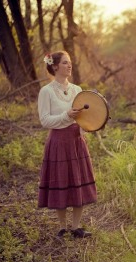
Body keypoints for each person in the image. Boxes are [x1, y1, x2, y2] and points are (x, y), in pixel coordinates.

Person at [38, 51, 97, 238]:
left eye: (70, 62)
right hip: (58, 142)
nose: (69, 66)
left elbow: (82, 117)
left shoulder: (77, 90)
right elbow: (45, 120)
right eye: (65, 63)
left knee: (77, 181)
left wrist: (86, 127)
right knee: (61, 181)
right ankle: (62, 227)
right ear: (55, 66)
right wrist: (66, 116)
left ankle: (76, 227)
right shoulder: (46, 91)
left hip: (76, 141)